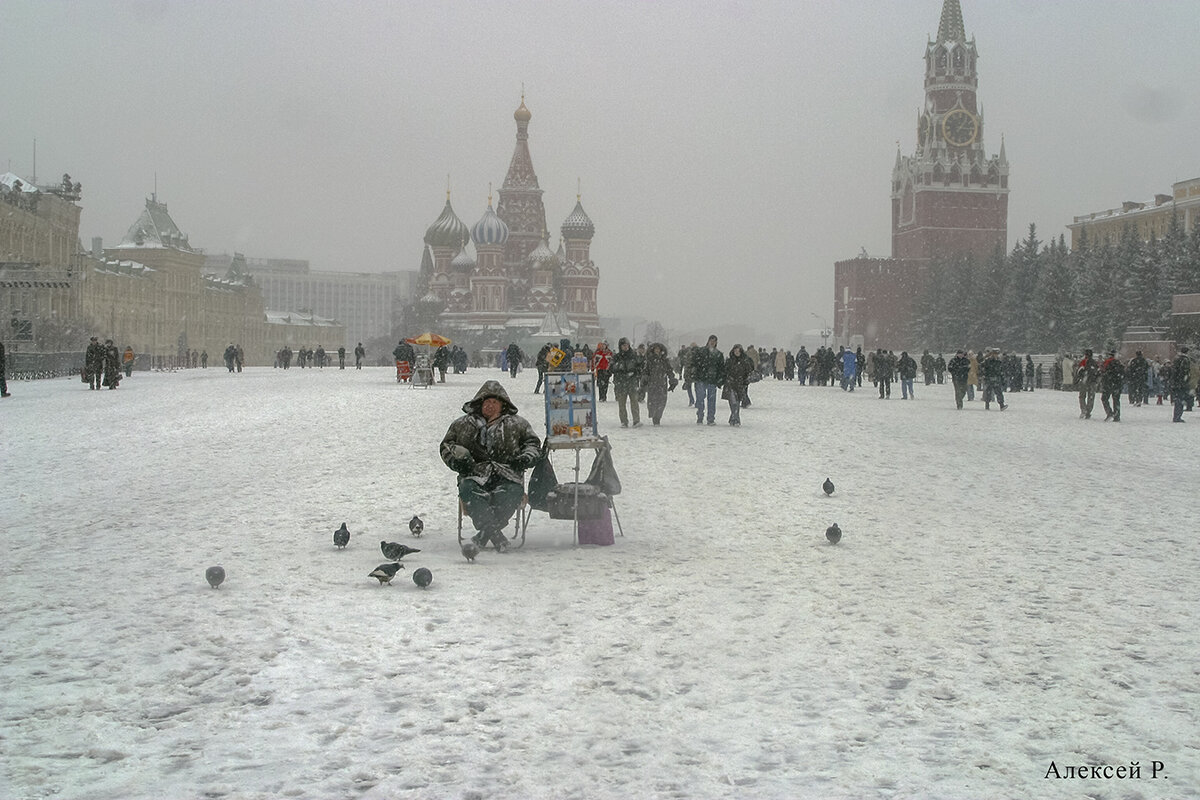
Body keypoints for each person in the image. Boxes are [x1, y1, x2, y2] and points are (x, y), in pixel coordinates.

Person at [440, 380, 541, 552]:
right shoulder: (463, 424)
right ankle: (495, 535)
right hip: (474, 473)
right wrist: (457, 462)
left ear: (503, 405)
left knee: (512, 492)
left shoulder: (517, 424)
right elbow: (446, 446)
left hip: (507, 473)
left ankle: (484, 534)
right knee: (468, 489)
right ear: (480, 404)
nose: (490, 406)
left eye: (494, 402)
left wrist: (525, 458)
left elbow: (532, 444)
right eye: (487, 402)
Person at [609, 337, 643, 428]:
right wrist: (618, 368)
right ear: (620, 346)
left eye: (627, 345)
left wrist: (634, 372)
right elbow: (611, 369)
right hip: (621, 383)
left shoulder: (634, 356)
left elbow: (640, 367)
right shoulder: (616, 357)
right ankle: (624, 421)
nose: (625, 347)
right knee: (621, 404)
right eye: (623, 345)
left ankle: (636, 420)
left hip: (632, 382)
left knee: (634, 402)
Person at [691, 335, 724, 425]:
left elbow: (721, 368)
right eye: (711, 340)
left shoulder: (718, 354)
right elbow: (694, 364)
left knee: (711, 400)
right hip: (701, 379)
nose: (712, 342)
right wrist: (695, 375)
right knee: (700, 398)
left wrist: (720, 379)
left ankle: (710, 418)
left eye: (714, 341)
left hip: (712, 380)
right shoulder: (701, 352)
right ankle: (700, 416)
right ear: (708, 341)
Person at [642, 342, 677, 425]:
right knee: (652, 401)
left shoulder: (664, 360)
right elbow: (645, 372)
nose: (657, 350)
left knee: (662, 401)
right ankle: (654, 415)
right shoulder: (649, 361)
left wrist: (672, 379)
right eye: (655, 349)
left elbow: (669, 370)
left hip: (662, 384)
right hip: (652, 383)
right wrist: (644, 380)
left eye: (658, 349)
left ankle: (658, 416)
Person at [723, 344, 754, 426]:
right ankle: (736, 419)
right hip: (730, 383)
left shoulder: (745, 361)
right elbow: (725, 371)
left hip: (740, 384)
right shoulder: (729, 361)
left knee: (736, 402)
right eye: (735, 351)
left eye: (738, 351)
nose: (737, 352)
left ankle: (733, 418)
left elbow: (749, 372)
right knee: (733, 402)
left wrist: (747, 380)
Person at [1099, 350, 1125, 422]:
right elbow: (1123, 373)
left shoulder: (1107, 362)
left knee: (1104, 398)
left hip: (1108, 383)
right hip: (1117, 384)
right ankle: (1117, 415)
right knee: (1116, 399)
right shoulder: (1119, 363)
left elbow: (1102, 371)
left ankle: (1109, 412)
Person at [1075, 348, 1100, 419]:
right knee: (1091, 397)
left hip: (1084, 381)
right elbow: (1098, 372)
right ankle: (1088, 411)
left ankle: (1083, 409)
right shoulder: (1095, 363)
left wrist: (1080, 378)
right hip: (1093, 382)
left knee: (1082, 396)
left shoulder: (1083, 362)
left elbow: (1079, 371)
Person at [1170, 346, 1191, 423]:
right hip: (1181, 383)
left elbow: (1174, 371)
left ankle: (1176, 416)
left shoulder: (1176, 359)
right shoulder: (1185, 360)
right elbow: (1184, 372)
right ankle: (1177, 416)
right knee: (1180, 400)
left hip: (1176, 383)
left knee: (1178, 399)